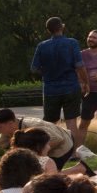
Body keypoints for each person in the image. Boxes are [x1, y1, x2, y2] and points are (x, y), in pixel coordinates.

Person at [29, 16, 90, 150]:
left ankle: (46, 150)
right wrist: (85, 82)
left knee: (49, 123)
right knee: (71, 122)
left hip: (50, 89)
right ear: (62, 27)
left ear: (48, 30)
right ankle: (72, 152)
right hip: (70, 87)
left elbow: (34, 68)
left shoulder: (42, 46)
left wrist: (47, 72)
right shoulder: (72, 43)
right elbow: (79, 65)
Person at [0, 110, 82, 176]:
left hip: (64, 145)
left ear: (10, 123)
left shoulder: (33, 125)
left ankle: (78, 169)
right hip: (47, 149)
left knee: (47, 178)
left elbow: (57, 139)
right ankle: (77, 169)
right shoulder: (7, 132)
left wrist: (36, 154)